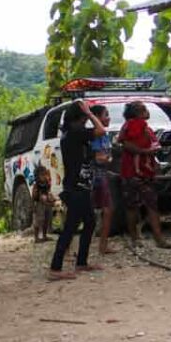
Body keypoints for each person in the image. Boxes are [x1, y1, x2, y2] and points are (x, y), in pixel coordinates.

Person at [47, 100, 106, 281]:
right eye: (86, 113)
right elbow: (101, 130)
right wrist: (90, 114)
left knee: (89, 222)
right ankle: (55, 268)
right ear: (80, 115)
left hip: (80, 186)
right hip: (76, 188)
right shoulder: (75, 132)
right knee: (71, 226)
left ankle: (81, 262)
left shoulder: (72, 133)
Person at [117, 101, 171, 249]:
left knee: (137, 205)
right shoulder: (136, 125)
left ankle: (138, 238)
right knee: (146, 205)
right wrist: (145, 152)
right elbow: (127, 144)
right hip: (135, 171)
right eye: (144, 109)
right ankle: (155, 238)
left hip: (138, 171)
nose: (147, 111)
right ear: (138, 112)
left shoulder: (140, 127)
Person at [88, 104, 116, 255]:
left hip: (102, 176)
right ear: (97, 118)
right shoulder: (94, 134)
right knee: (89, 211)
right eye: (106, 114)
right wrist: (106, 159)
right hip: (94, 177)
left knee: (107, 209)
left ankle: (103, 246)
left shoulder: (104, 135)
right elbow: (98, 158)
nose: (109, 117)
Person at [31, 164, 56, 243]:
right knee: (38, 220)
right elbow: (34, 195)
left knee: (47, 219)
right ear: (37, 176)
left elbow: (48, 192)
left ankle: (44, 236)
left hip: (46, 204)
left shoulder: (47, 184)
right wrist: (40, 196)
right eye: (42, 175)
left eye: (45, 174)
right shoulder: (36, 185)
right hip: (39, 205)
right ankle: (36, 237)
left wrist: (51, 197)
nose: (44, 176)